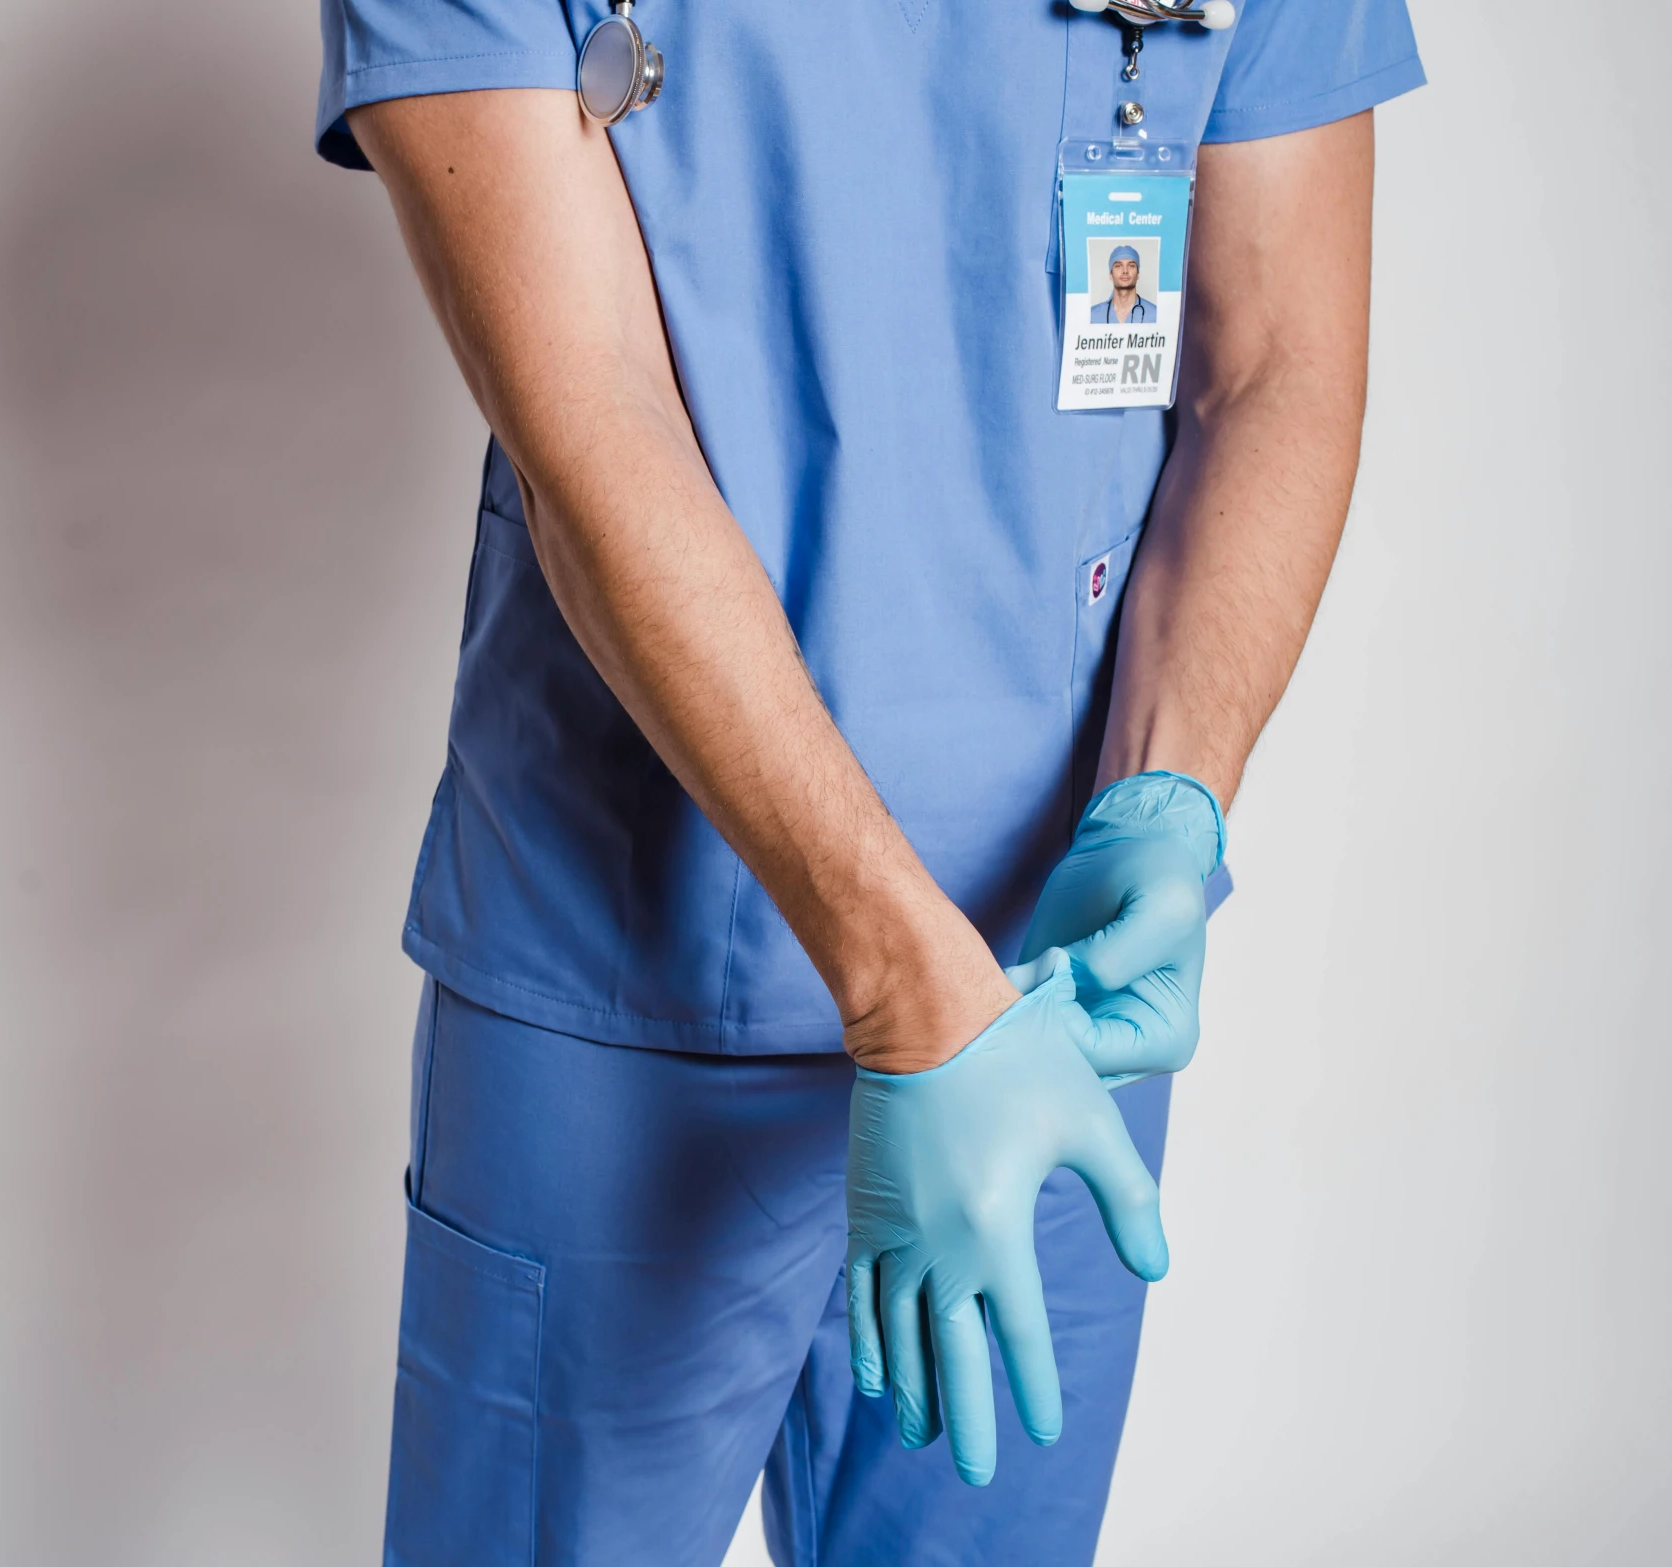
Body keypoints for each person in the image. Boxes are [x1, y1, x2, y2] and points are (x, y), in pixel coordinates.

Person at [314, 4, 1423, 1564]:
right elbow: (586, 418)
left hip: (1048, 993)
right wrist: (908, 987)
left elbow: (1277, 368)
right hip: (630, 983)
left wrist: (1167, 798)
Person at [1091, 244, 1157, 323]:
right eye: (1118, 266)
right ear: (1111, 275)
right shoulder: (1093, 315)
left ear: (1138, 274)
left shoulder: (1155, 314)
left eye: (1131, 266)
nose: (1125, 271)